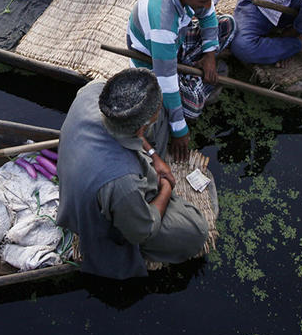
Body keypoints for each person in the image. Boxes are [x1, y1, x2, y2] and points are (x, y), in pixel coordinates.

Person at [56, 68, 209, 279]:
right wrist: (166, 186)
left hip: (101, 164)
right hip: (104, 204)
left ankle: (151, 153)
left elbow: (132, 130)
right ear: (140, 129)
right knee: (196, 231)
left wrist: (154, 156)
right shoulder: (123, 184)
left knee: (162, 117)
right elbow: (142, 230)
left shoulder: (92, 91)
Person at [126, 0, 235, 161]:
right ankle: (193, 81)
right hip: (153, 62)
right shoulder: (163, 26)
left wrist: (210, 54)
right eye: (202, 1)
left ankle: (194, 73)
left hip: (178, 42)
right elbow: (165, 81)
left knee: (228, 24)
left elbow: (209, 14)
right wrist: (179, 131)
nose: (206, 4)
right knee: (193, 108)